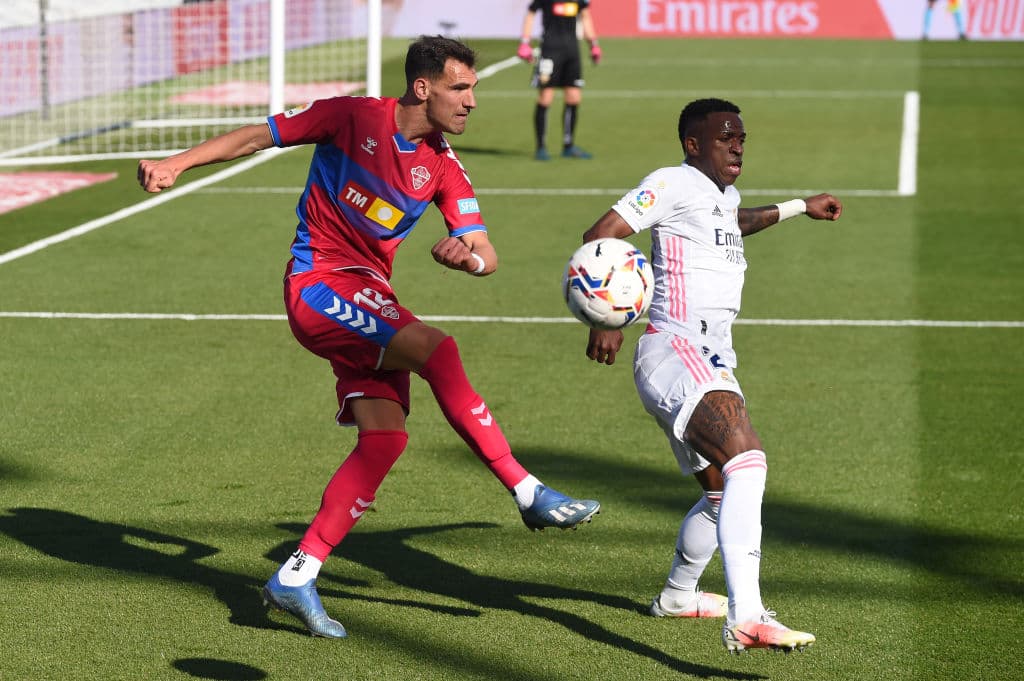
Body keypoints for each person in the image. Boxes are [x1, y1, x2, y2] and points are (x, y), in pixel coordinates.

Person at [138, 35, 600, 639]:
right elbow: (259, 136)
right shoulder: (352, 116)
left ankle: (297, 575)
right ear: (422, 87)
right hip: (318, 286)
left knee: (384, 442)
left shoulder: (443, 167)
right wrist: (177, 163)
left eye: (473, 90)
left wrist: (471, 261)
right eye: (460, 89)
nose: (471, 103)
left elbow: (487, 250)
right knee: (440, 350)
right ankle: (526, 488)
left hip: (367, 296)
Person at [579, 98, 841, 653]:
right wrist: (609, 315)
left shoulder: (722, 195)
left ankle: (678, 595)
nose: (738, 144)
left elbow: (733, 224)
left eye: (741, 137)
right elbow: (600, 234)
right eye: (725, 137)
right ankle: (747, 615)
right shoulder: (671, 181)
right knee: (747, 458)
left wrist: (799, 206)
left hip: (712, 354)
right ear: (693, 144)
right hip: (677, 345)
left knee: (723, 493)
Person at [517, 0, 601, 161]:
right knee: (546, 98)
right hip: (550, 51)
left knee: (574, 97)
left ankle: (568, 146)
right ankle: (541, 147)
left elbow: (586, 17)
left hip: (572, 52)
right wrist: (525, 42)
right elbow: (531, 13)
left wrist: (593, 44)